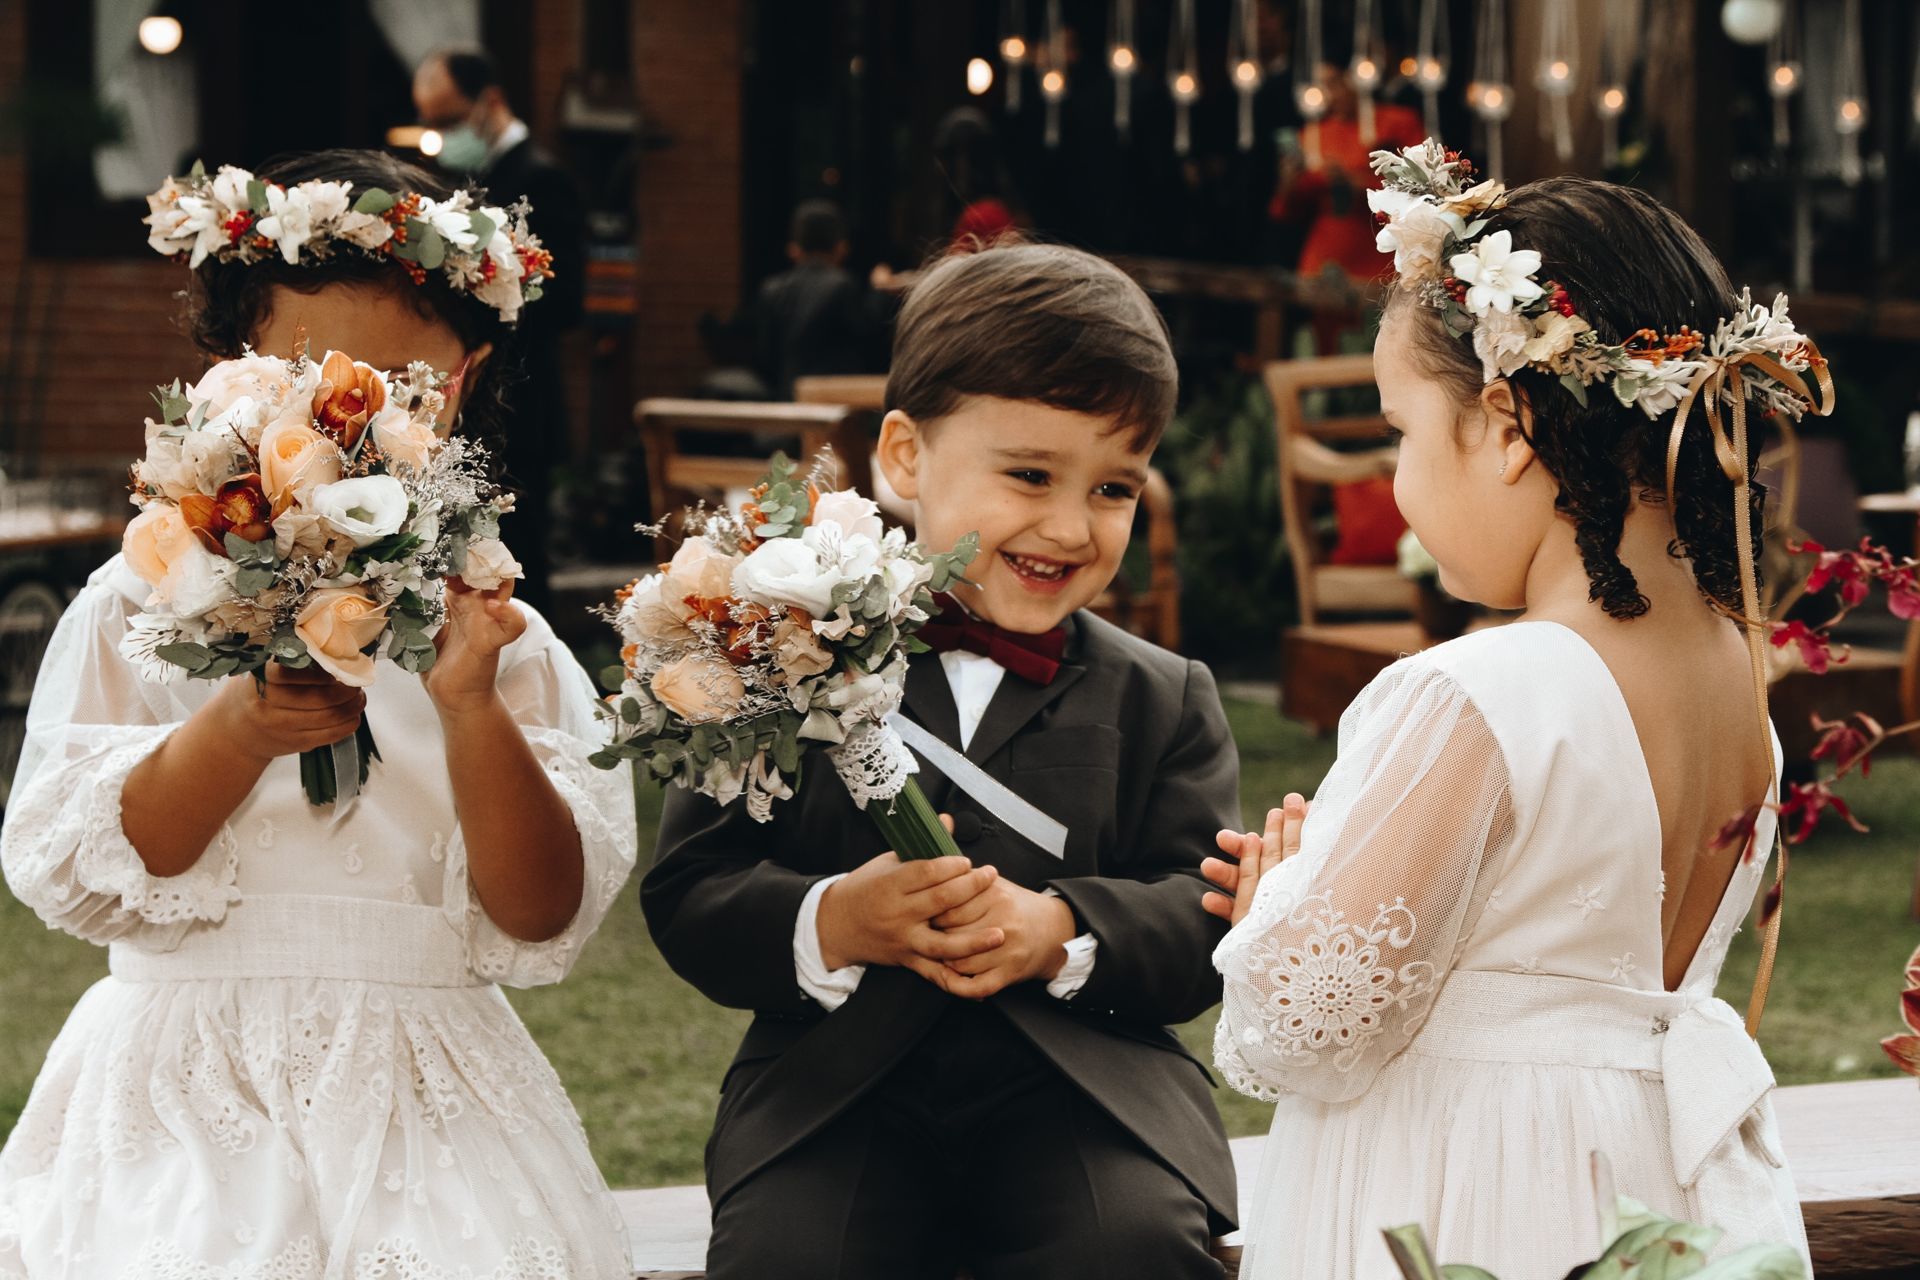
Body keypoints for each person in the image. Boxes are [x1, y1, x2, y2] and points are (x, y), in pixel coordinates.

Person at [0, 150, 634, 1275]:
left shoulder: (496, 634)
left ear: (465, 381)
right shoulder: (141, 603)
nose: (350, 417)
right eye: (301, 374)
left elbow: (538, 913)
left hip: (421, 1094)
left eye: (398, 383)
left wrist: (471, 710)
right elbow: (95, 874)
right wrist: (240, 727)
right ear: (225, 374)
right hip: (184, 1090)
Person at [1207, 144, 1822, 1278]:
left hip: (1477, 1194)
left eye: (1399, 431)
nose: (1395, 477)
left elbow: (1309, 1023)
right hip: (1645, 1188)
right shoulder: (1742, 694)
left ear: (1504, 425)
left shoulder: (1487, 693)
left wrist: (1276, 899)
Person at [644, 241, 1240, 1279]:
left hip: (1087, 1091)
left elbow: (1202, 912)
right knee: (793, 1257)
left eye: (1114, 488)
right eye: (1030, 474)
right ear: (906, 455)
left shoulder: (1165, 694)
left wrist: (1062, 930)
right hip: (837, 1091)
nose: (1070, 525)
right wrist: (835, 918)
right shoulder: (777, 651)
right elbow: (691, 890)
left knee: (1132, 1245)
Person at [414, 47, 588, 613]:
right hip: (479, 394)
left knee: (520, 558)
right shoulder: (475, 176)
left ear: (489, 101)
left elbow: (566, 299)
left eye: (450, 119)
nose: (444, 135)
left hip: (521, 397)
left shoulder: (541, 178)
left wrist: (480, 303)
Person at [752, 199, 886, 400]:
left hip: (787, 395)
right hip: (834, 399)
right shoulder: (843, 285)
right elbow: (870, 340)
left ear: (794, 248)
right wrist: (880, 289)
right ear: (841, 247)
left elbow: (764, 356)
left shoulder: (771, 289)